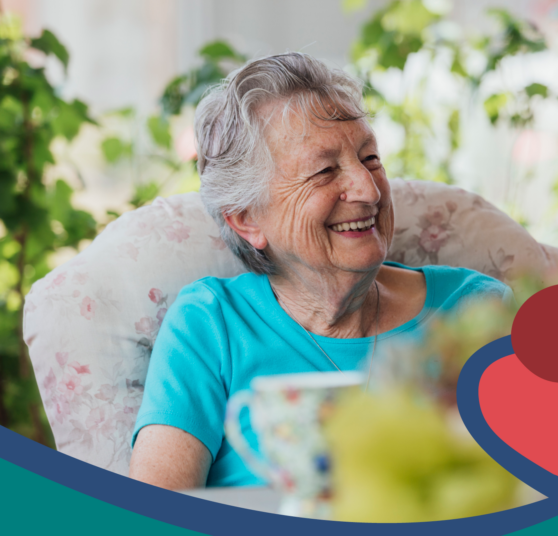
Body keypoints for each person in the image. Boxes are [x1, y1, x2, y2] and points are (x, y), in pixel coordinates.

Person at [128, 53, 511, 490]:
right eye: (325, 170)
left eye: (370, 159)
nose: (368, 190)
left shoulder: (477, 311)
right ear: (247, 219)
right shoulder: (210, 325)